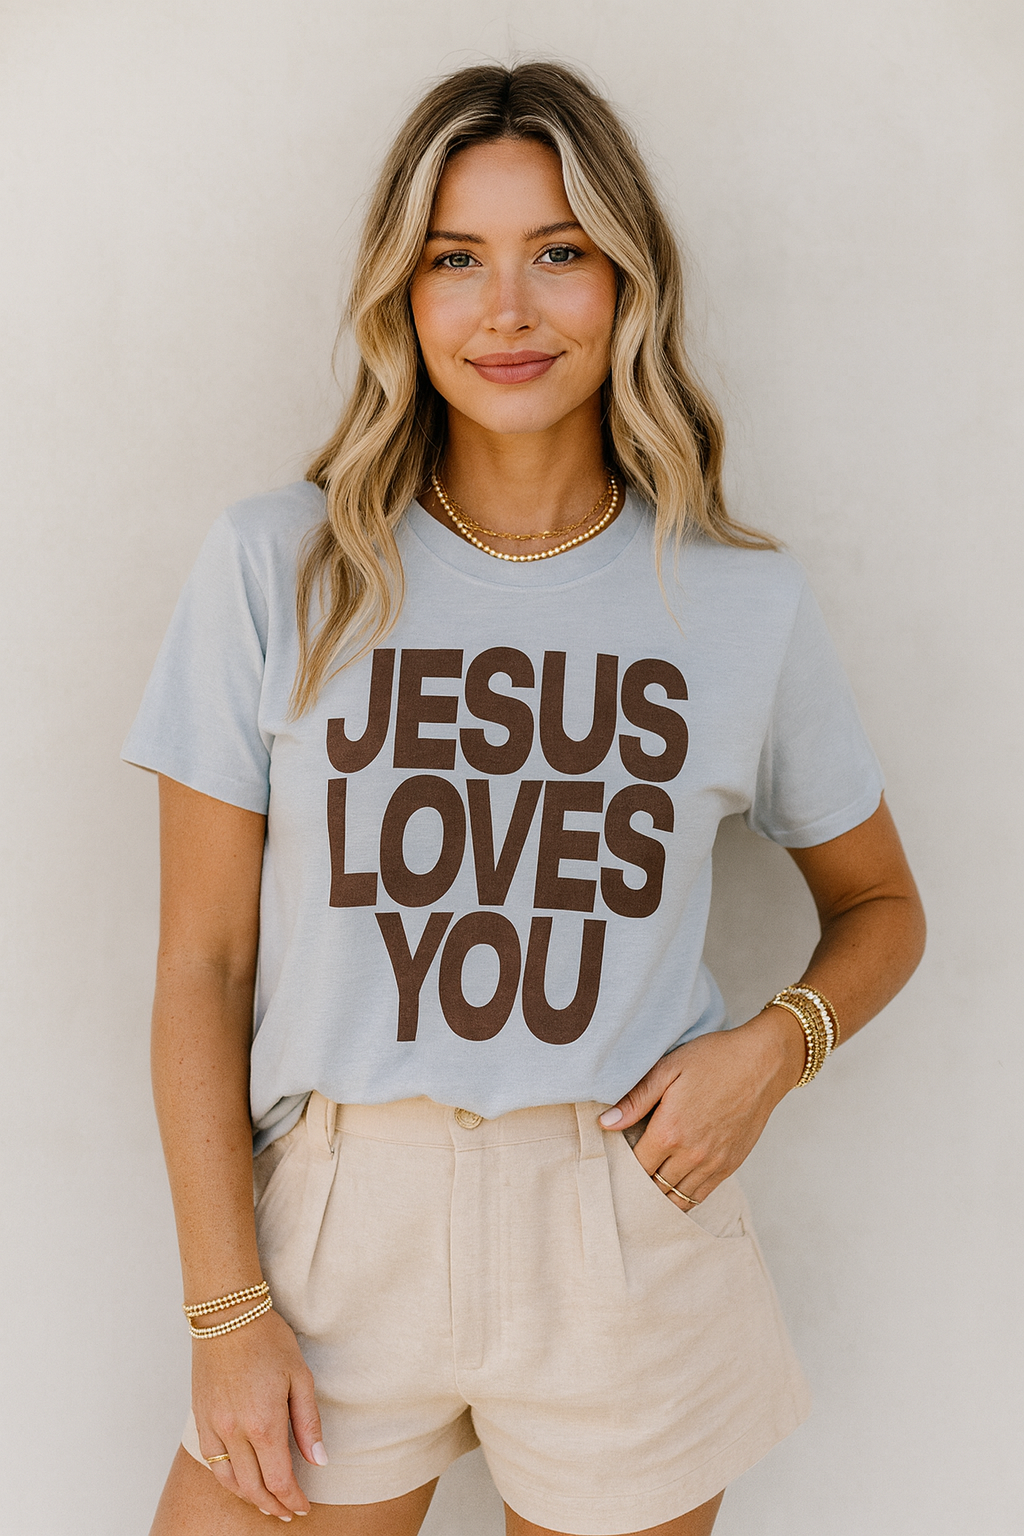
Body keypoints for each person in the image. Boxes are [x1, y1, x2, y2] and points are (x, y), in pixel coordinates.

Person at [125, 61, 926, 1536]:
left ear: (628, 284)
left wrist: (771, 1050)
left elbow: (881, 908)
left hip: (620, 1224)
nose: (509, 308)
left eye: (558, 251)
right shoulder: (278, 566)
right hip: (335, 1223)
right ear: (402, 293)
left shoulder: (743, 602)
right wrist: (224, 1305)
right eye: (455, 259)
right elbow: (202, 965)